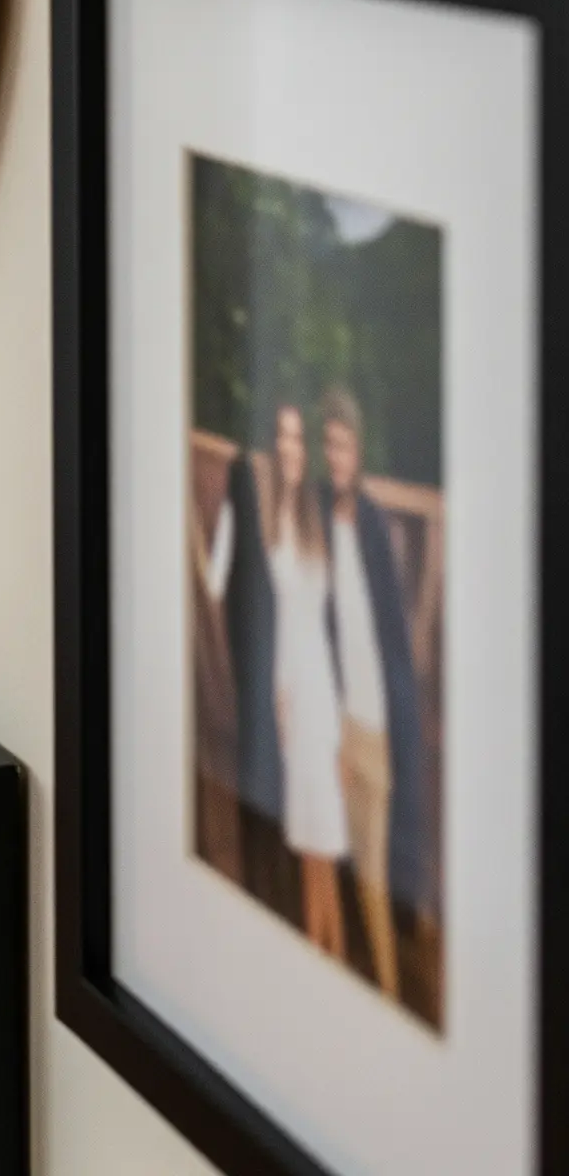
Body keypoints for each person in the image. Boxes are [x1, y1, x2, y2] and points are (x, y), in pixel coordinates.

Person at [320, 386, 425, 1006]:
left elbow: (392, 641)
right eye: (326, 443)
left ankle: (385, 991)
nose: (334, 455)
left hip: (377, 727)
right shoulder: (319, 519)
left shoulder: (374, 526)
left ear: (357, 450)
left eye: (342, 443)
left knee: (375, 879)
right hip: (338, 725)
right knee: (347, 863)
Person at [266, 402, 349, 959]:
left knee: (325, 835)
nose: (291, 447)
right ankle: (313, 949)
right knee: (306, 844)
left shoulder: (320, 515)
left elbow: (333, 622)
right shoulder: (272, 514)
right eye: (283, 436)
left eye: (299, 437)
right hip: (289, 687)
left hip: (320, 688)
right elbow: (274, 616)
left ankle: (333, 953)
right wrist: (278, 694)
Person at [202, 440, 290, 919]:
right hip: (273, 670)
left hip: (249, 668)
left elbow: (214, 581)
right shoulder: (270, 531)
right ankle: (274, 873)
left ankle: (258, 872)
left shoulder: (236, 522)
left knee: (251, 757)